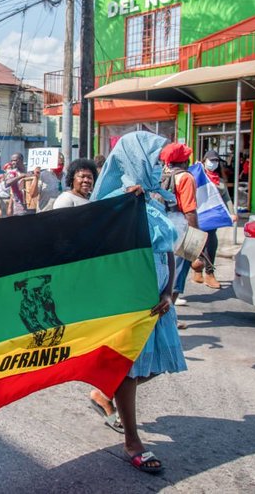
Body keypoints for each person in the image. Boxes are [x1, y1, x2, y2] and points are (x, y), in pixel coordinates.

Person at [90, 131, 187, 474]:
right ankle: (132, 440)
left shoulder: (155, 197)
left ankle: (105, 394)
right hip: (129, 303)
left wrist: (168, 292)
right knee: (129, 370)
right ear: (136, 160)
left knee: (159, 364)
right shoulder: (117, 201)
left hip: (158, 302)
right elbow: (105, 259)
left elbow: (168, 250)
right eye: (155, 159)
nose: (162, 166)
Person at [160, 142, 197, 310]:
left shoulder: (162, 173)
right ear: (184, 161)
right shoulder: (186, 178)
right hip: (180, 226)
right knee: (178, 271)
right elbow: (190, 210)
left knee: (165, 270)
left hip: (163, 224)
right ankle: (170, 315)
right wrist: (195, 235)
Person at [191, 150, 236, 289]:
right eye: (211, 160)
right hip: (198, 216)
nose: (213, 163)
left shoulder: (219, 182)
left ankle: (209, 273)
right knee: (198, 244)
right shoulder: (197, 176)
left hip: (212, 219)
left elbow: (226, 199)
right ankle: (197, 268)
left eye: (216, 161)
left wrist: (232, 213)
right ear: (204, 161)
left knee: (211, 244)